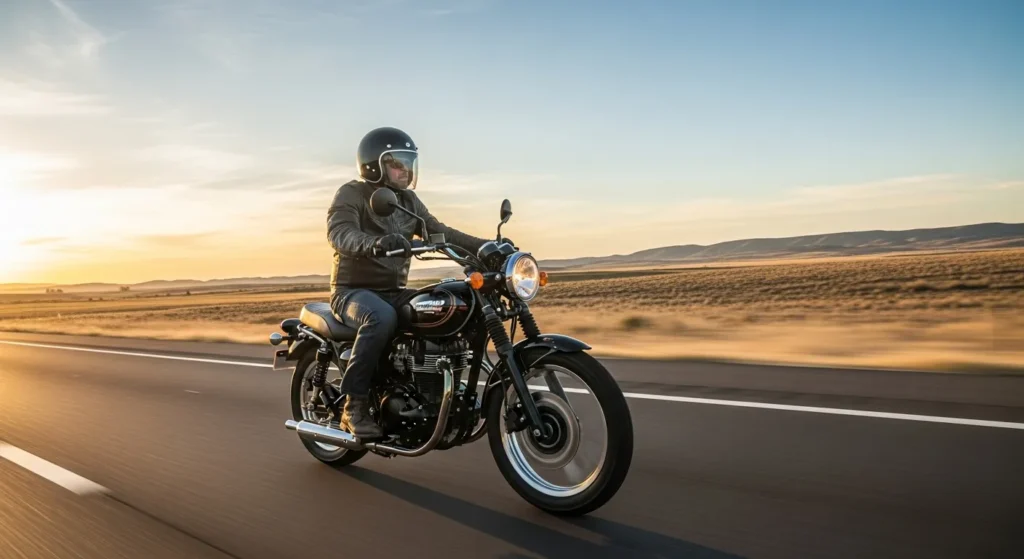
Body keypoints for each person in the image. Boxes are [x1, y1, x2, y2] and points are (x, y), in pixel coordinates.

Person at [326, 127, 492, 438]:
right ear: (374, 165)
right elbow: (340, 234)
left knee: (449, 306)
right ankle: (354, 406)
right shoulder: (351, 194)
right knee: (380, 317)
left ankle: (438, 392)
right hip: (352, 293)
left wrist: (486, 248)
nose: (406, 171)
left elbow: (440, 233)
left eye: (409, 163)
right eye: (397, 164)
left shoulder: (408, 201)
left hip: (394, 291)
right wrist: (375, 243)